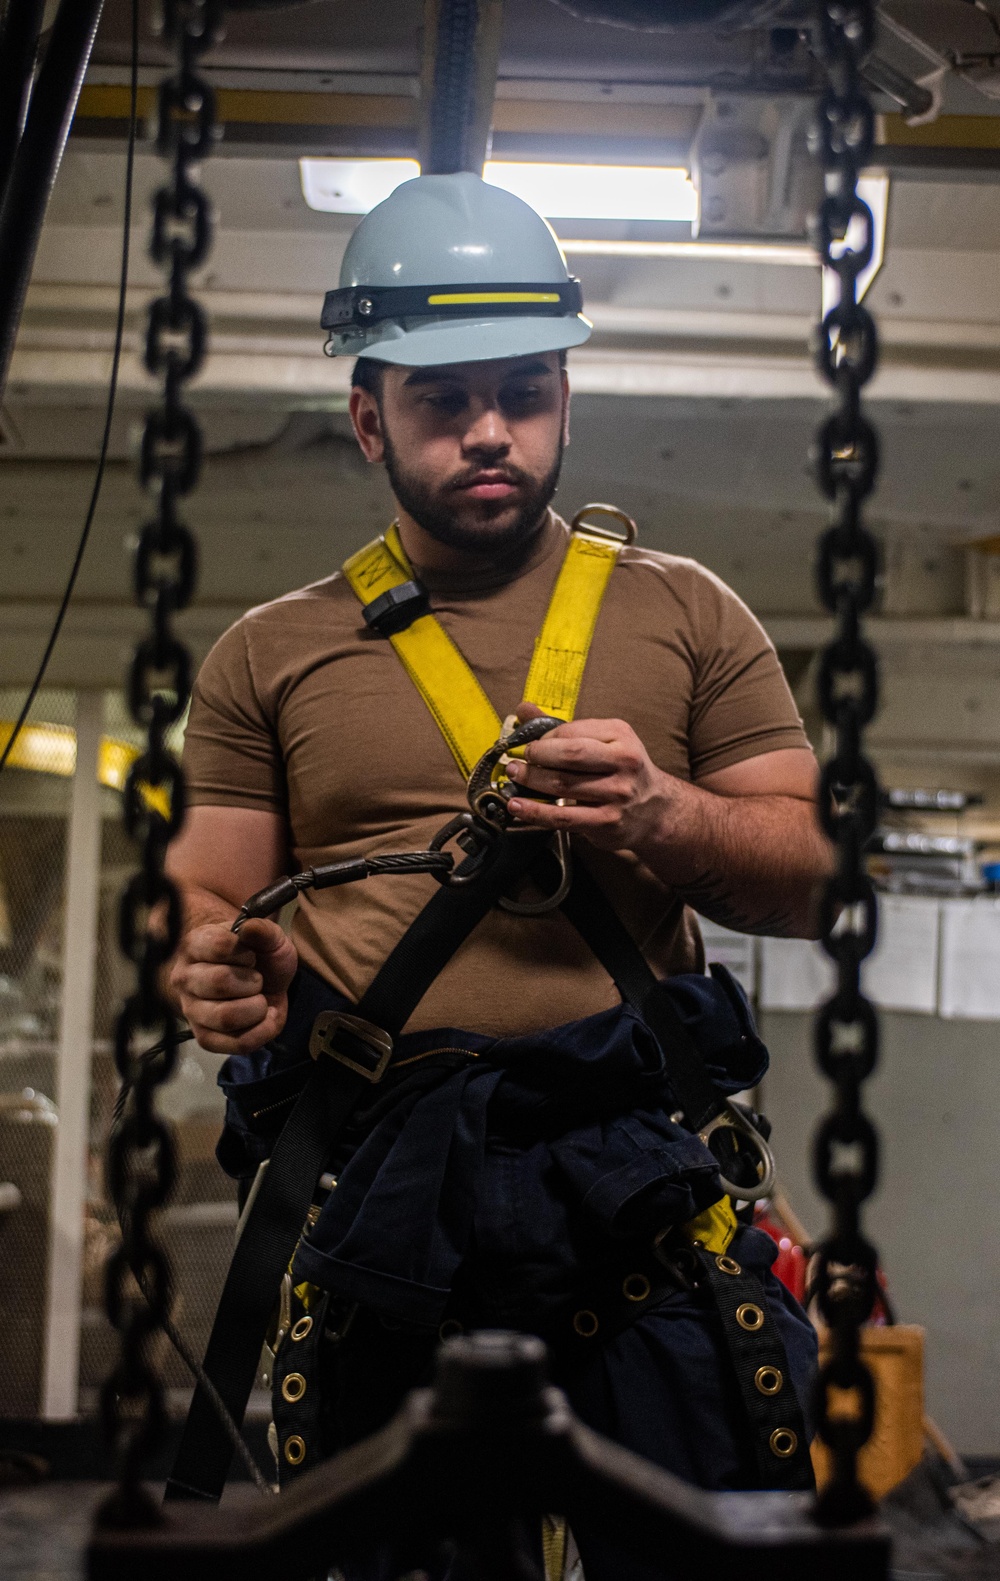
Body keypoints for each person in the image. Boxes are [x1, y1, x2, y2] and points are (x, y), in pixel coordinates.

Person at [166, 171, 832, 1579]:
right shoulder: (270, 656)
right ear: (369, 418)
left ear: (567, 401)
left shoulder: (687, 613)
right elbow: (209, 903)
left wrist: (662, 814)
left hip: (636, 1188)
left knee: (706, 1546)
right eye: (441, 399)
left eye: (525, 392)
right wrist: (226, 963)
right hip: (387, 1186)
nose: (489, 431)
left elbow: (808, 876)